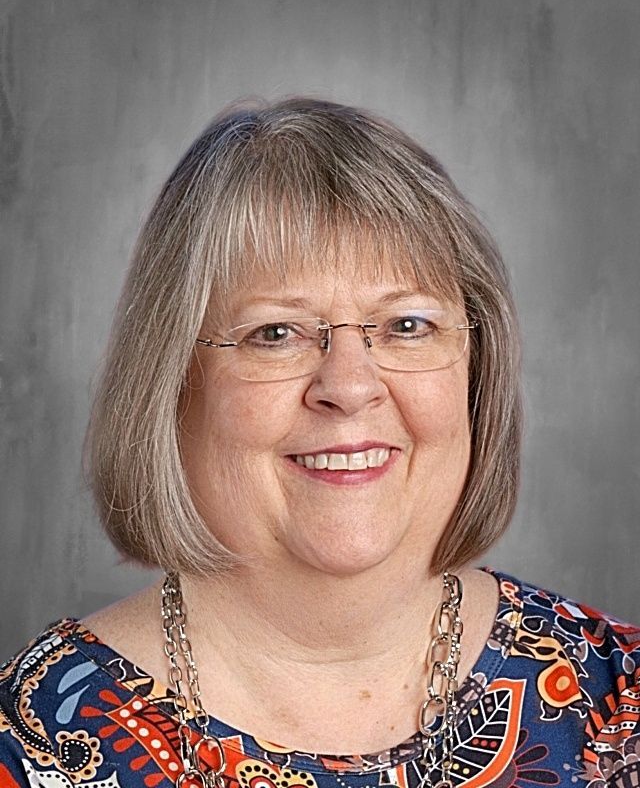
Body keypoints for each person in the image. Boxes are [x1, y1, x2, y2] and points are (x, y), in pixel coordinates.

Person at [1, 98, 638, 788]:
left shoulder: (617, 704)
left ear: (476, 369)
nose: (349, 385)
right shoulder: (36, 740)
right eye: (276, 333)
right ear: (173, 381)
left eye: (406, 325)